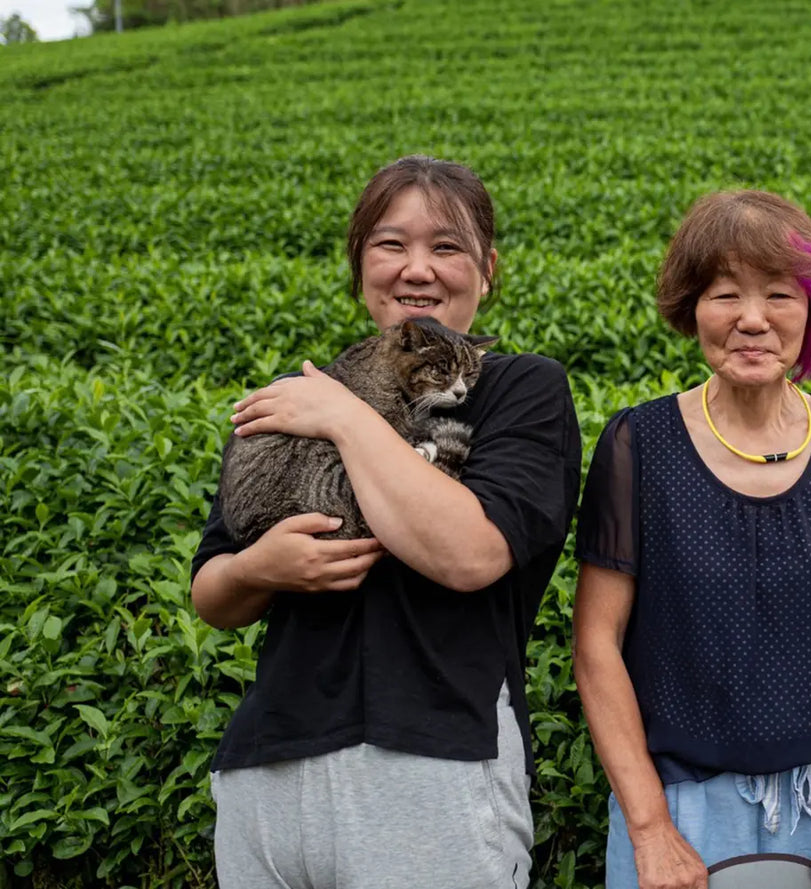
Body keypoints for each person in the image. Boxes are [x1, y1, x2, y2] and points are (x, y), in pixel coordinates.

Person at [190, 155, 581, 889]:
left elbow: (468, 553)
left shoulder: (523, 388)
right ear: (359, 265)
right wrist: (258, 569)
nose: (417, 269)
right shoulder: (298, 397)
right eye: (390, 245)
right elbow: (212, 592)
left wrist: (342, 418)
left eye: (446, 246)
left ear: (488, 268)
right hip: (268, 769)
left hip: (432, 762)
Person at [573, 190, 811, 889]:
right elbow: (595, 642)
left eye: (779, 295)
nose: (752, 319)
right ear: (692, 307)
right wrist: (649, 827)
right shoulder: (639, 443)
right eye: (726, 293)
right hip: (679, 808)